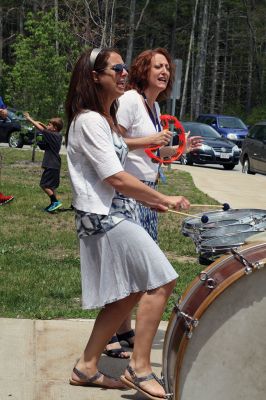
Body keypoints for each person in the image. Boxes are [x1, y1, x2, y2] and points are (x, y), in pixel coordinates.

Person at [65, 46, 191, 399]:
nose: (123, 73)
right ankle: (138, 368)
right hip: (103, 217)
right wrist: (160, 197)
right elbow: (115, 177)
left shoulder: (104, 119)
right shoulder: (89, 120)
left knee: (134, 287)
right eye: (116, 68)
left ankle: (87, 367)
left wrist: (154, 199)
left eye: (124, 68)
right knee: (162, 278)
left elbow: (124, 171)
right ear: (95, 77)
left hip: (117, 212)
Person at [105, 48, 202, 354]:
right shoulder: (131, 101)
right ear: (144, 70)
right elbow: (114, 144)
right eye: (158, 66)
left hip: (146, 195)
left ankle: (123, 331)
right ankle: (109, 336)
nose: (165, 72)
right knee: (129, 267)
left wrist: (178, 151)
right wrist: (150, 140)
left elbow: (153, 154)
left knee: (133, 269)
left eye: (168, 68)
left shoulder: (155, 108)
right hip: (127, 194)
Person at [24, 112, 63, 212]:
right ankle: (54, 205)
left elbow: (42, 129)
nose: (47, 126)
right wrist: (42, 123)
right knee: (51, 186)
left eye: (50, 124)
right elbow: (46, 129)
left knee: (44, 185)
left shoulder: (51, 134)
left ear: (54, 128)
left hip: (51, 164)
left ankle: (55, 202)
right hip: (55, 164)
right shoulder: (57, 135)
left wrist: (30, 119)